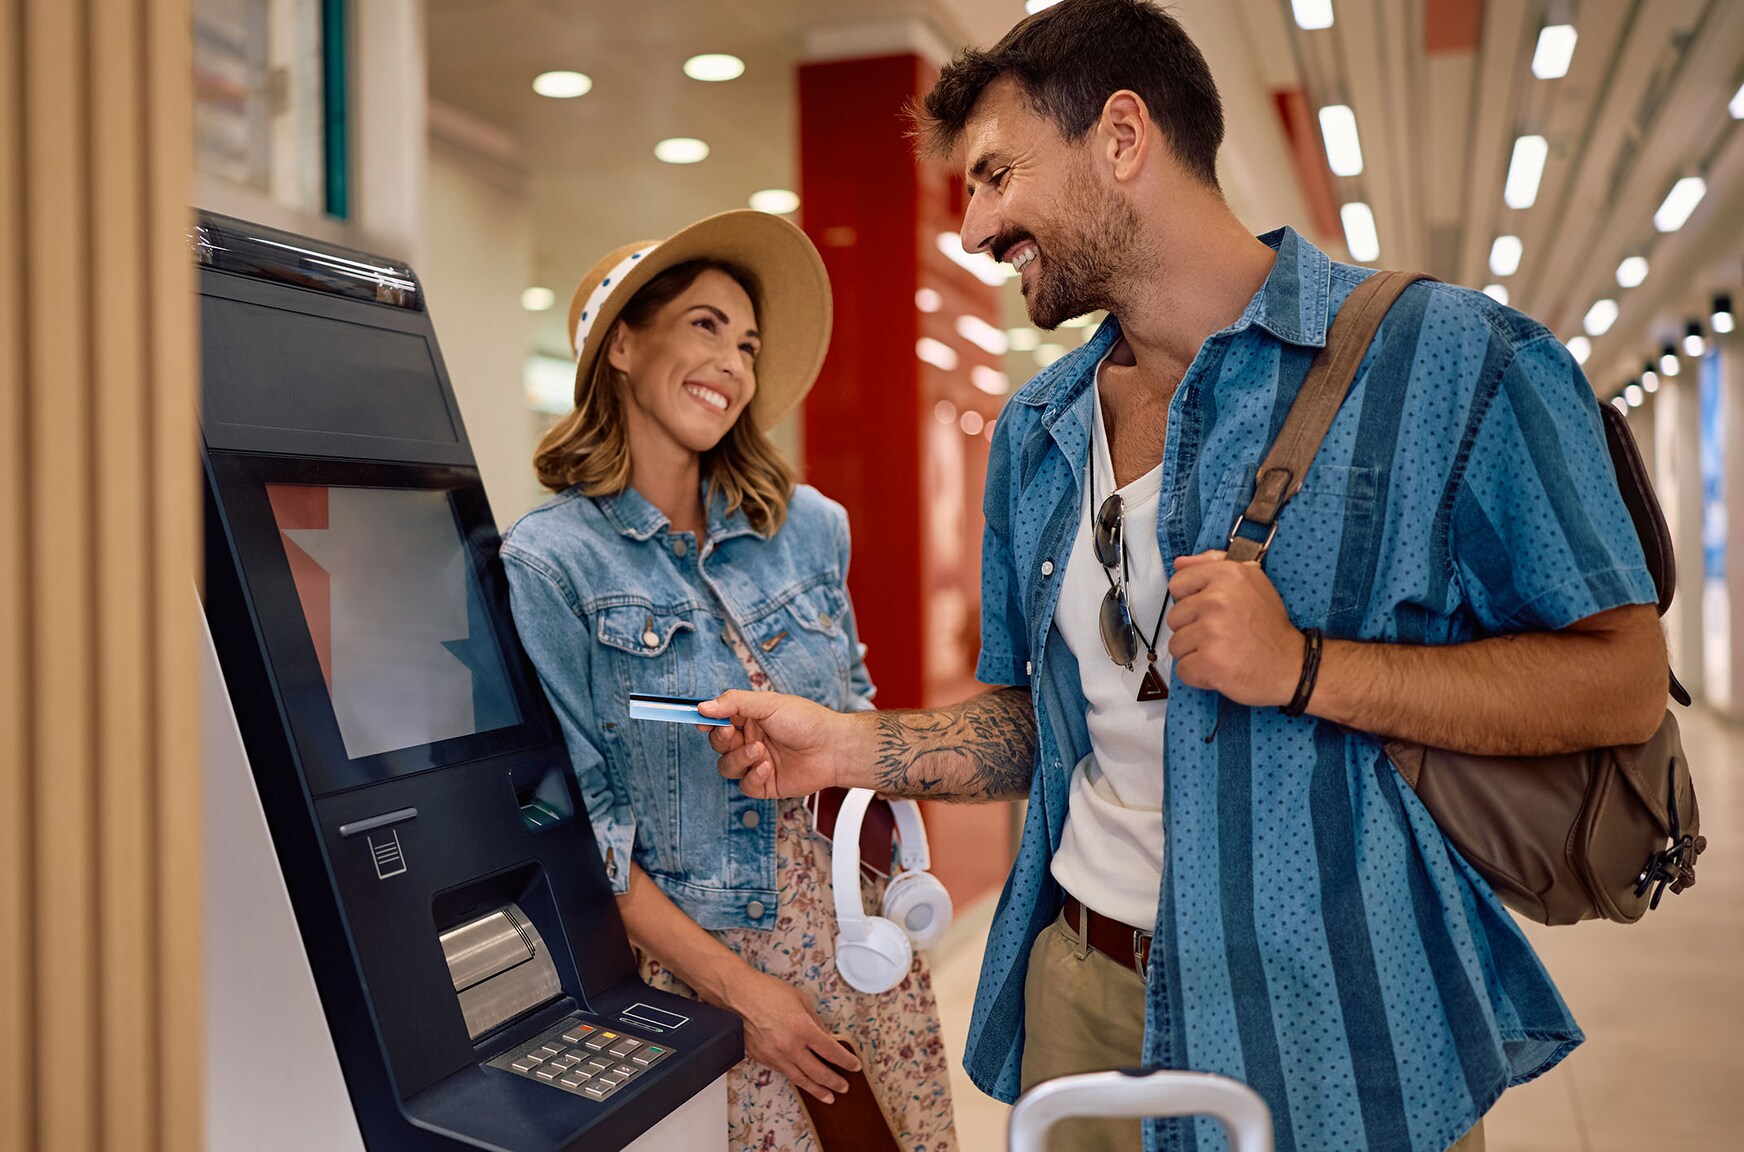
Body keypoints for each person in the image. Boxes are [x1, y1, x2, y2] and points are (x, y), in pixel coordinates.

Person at [698, 3, 1670, 1151]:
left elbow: (1619, 682)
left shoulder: (1452, 363)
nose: (974, 225)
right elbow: (1037, 725)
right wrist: (846, 746)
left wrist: (1304, 668)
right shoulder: (1038, 430)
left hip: (1337, 1006)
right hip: (1082, 988)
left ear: (1121, 136)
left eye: (997, 174)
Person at [499, 210, 958, 1152]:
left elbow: (859, 720)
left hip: (864, 946)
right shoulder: (551, 565)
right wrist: (744, 995)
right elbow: (586, 836)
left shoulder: (807, 526)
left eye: (747, 342)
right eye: (706, 324)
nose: (734, 361)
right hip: (710, 976)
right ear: (623, 343)